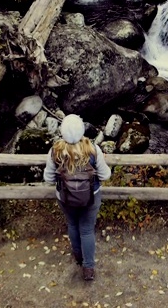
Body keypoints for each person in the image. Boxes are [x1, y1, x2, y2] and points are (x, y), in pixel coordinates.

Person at [43, 114, 111, 281]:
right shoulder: (94, 150)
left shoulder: (55, 151)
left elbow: (48, 179)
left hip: (65, 197)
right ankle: (88, 268)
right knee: (87, 230)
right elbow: (105, 175)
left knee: (73, 224)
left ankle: (78, 257)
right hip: (91, 196)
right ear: (82, 130)